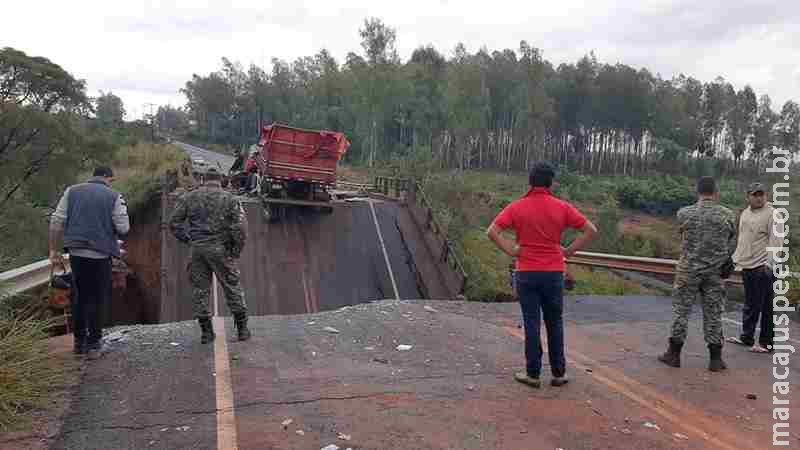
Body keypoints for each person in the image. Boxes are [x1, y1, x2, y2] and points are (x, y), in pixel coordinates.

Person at [487, 162, 597, 388]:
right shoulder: (562, 207)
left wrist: (512, 250)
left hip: (526, 272)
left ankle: (533, 374)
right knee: (554, 322)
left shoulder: (517, 207)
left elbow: (492, 232)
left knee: (532, 322)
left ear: (530, 181)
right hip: (554, 272)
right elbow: (590, 230)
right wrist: (567, 251)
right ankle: (558, 373)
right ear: (551, 183)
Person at [49, 166, 130, 359]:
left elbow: (56, 221)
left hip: (76, 253)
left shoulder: (72, 191)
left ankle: (79, 344)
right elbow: (124, 227)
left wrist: (53, 249)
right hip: (101, 255)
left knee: (80, 296)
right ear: (108, 178)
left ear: (92, 176)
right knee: (97, 298)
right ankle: (94, 345)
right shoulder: (114, 196)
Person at [659, 176, 737, 371]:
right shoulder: (728, 215)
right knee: (714, 313)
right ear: (716, 191)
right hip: (715, 272)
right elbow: (730, 239)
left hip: (689, 271)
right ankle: (716, 359)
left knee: (681, 311)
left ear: (698, 191)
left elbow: (682, 233)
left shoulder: (684, 213)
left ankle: (674, 354)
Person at [168, 167, 251, 343]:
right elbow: (240, 228)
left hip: (197, 249)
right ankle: (242, 331)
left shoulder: (189, 197)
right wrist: (236, 250)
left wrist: (189, 240)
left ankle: (206, 333)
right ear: (221, 180)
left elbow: (174, 222)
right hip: (221, 249)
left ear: (203, 180)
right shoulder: (230, 198)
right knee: (232, 287)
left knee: (200, 290)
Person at [726, 182, 782, 353]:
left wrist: (769, 265)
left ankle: (766, 343)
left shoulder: (773, 214)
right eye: (755, 194)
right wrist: (734, 259)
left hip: (764, 267)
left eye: (761, 194)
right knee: (750, 304)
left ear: (766, 195)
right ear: (748, 196)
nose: (759, 197)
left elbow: (776, 241)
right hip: (748, 266)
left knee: (766, 307)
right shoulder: (745, 214)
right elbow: (743, 241)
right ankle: (747, 337)